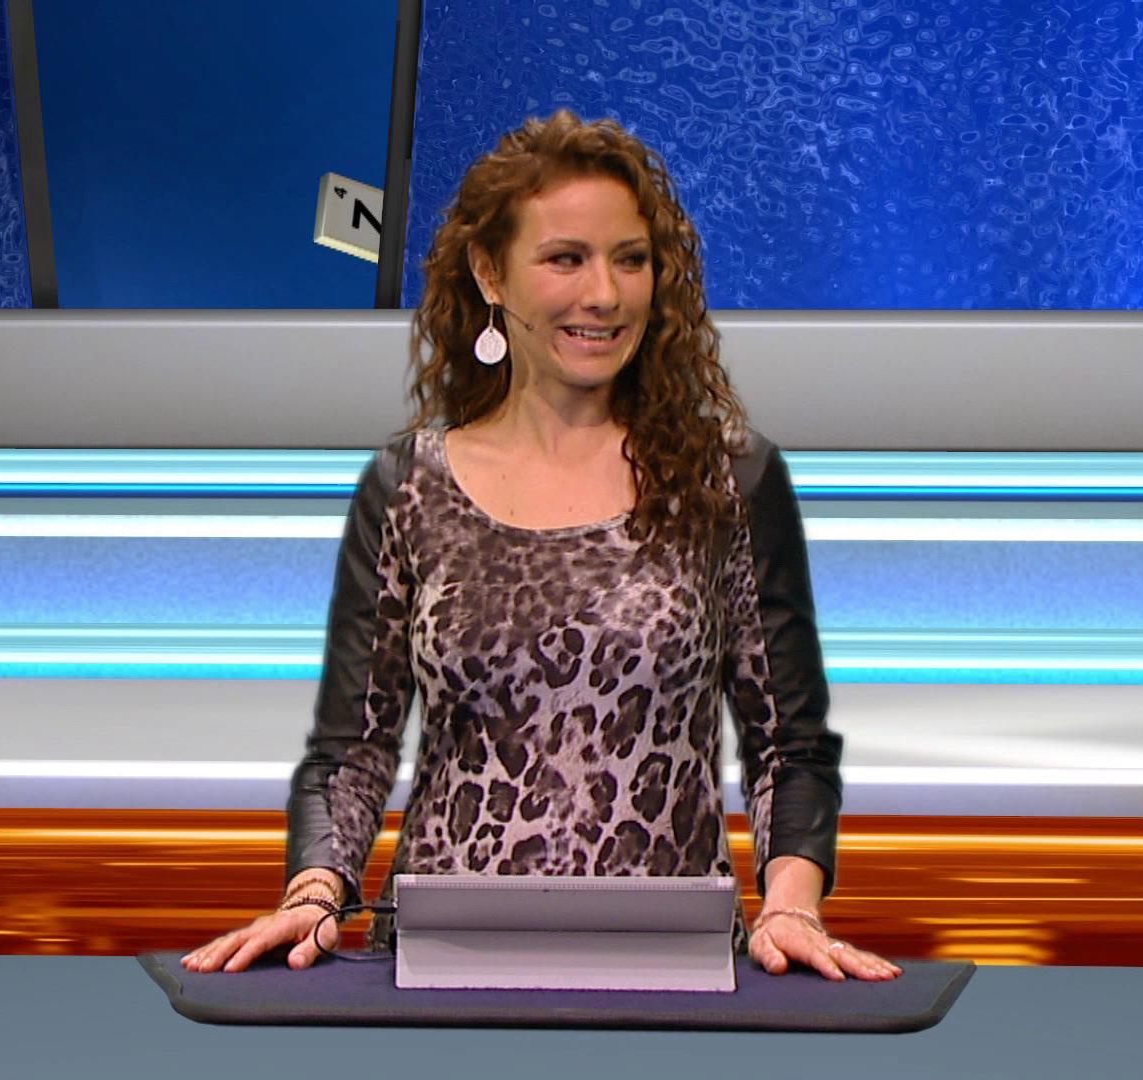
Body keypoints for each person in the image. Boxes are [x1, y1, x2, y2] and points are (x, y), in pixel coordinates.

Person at [183, 110, 899, 982]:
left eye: (630, 260)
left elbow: (789, 747)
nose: (605, 294)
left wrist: (790, 906)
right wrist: (313, 894)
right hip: (442, 975)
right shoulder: (408, 486)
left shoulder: (729, 479)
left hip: (669, 976)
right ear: (491, 273)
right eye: (566, 259)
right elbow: (352, 750)